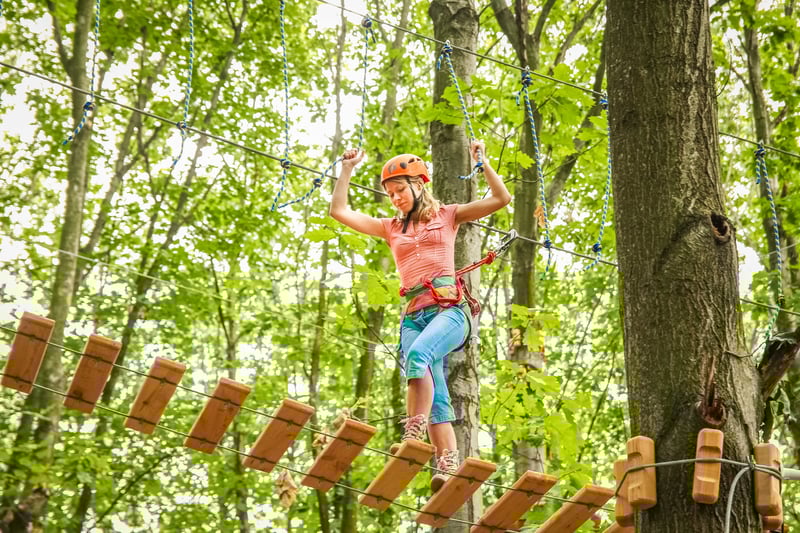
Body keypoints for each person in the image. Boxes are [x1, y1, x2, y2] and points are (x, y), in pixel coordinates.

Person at [329, 141, 511, 492]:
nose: (395, 198)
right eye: (390, 194)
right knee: (434, 387)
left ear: (418, 185)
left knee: (418, 356)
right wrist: (347, 169)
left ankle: (413, 429)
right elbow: (340, 211)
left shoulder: (448, 215)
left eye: (400, 190)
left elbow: (500, 199)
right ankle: (446, 463)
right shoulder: (390, 228)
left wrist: (482, 163)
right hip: (413, 317)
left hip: (449, 312)